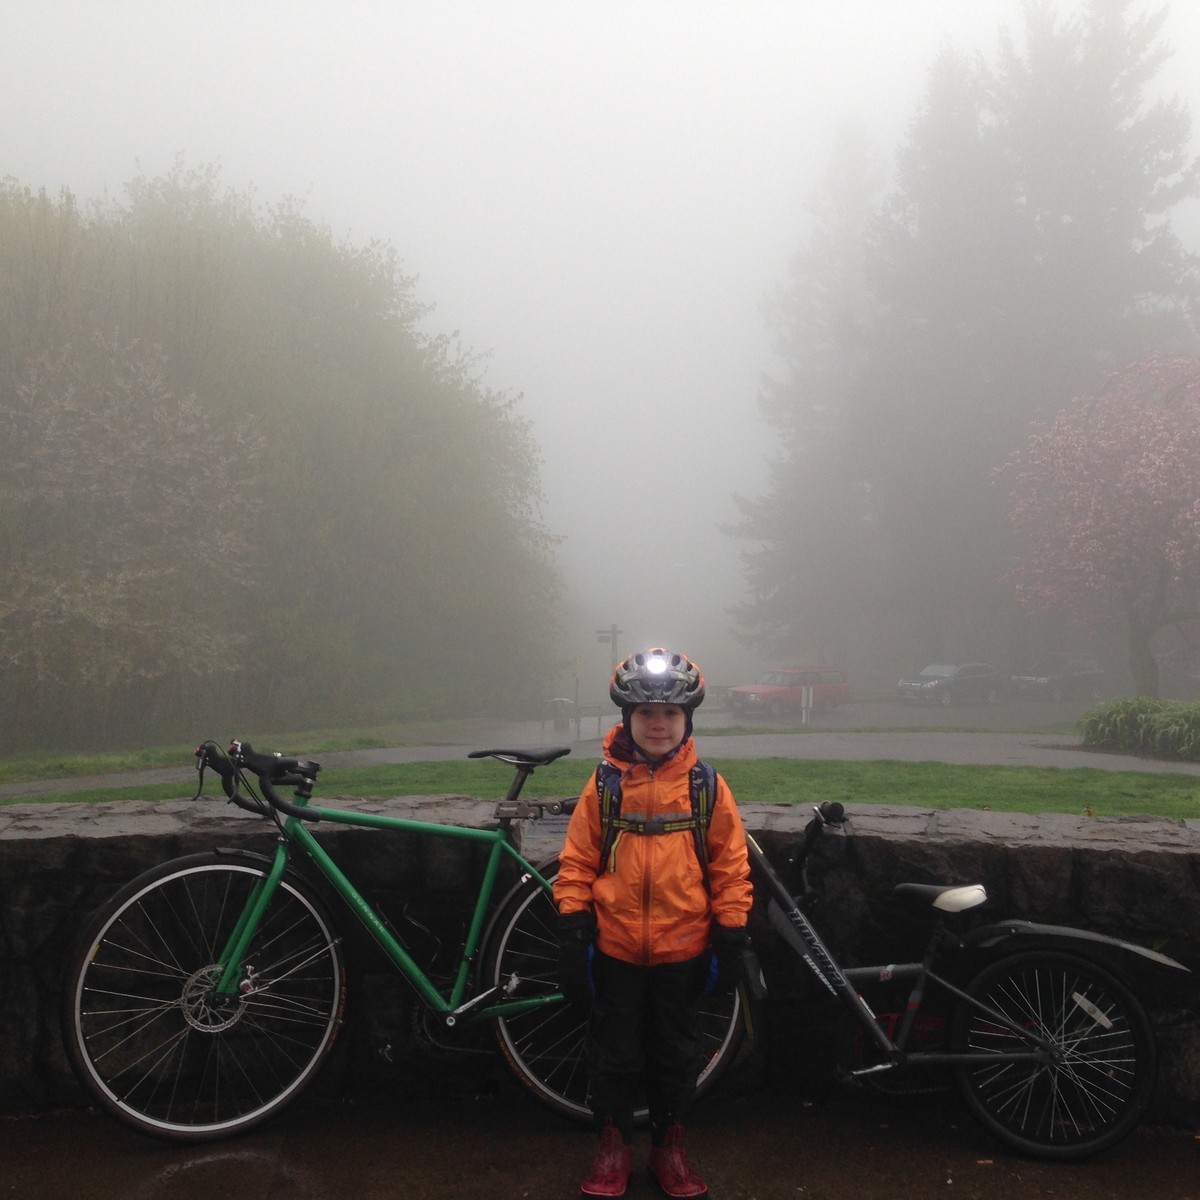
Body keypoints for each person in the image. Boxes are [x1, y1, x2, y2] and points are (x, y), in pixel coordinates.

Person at [554, 647, 753, 1200]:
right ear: (627, 720)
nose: (658, 724)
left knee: (676, 1057)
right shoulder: (603, 787)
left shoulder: (707, 789)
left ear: (687, 721)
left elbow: (730, 868)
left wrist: (730, 934)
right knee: (612, 1056)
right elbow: (575, 864)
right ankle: (612, 1144)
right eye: (646, 715)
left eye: (669, 714)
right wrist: (573, 932)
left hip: (683, 949)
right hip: (614, 949)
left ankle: (670, 1145)